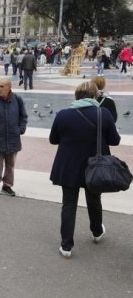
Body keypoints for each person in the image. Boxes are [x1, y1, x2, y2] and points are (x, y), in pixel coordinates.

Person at [49, 81, 121, 258]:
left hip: (69, 166)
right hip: (94, 165)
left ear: (76, 96)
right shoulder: (103, 114)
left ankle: (66, 246)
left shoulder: (63, 115)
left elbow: (53, 139)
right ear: (95, 96)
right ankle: (96, 232)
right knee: (94, 199)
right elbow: (115, 140)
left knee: (69, 204)